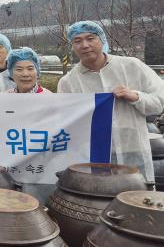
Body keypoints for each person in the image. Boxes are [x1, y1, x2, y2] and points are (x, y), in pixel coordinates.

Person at [58, 20, 164, 181]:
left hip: (133, 150)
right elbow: (66, 124)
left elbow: (158, 103)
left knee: (138, 193)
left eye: (90, 38)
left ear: (102, 39)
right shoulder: (68, 83)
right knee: (98, 194)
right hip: (93, 157)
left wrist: (136, 96)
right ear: (72, 46)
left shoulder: (132, 67)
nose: (85, 45)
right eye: (77, 41)